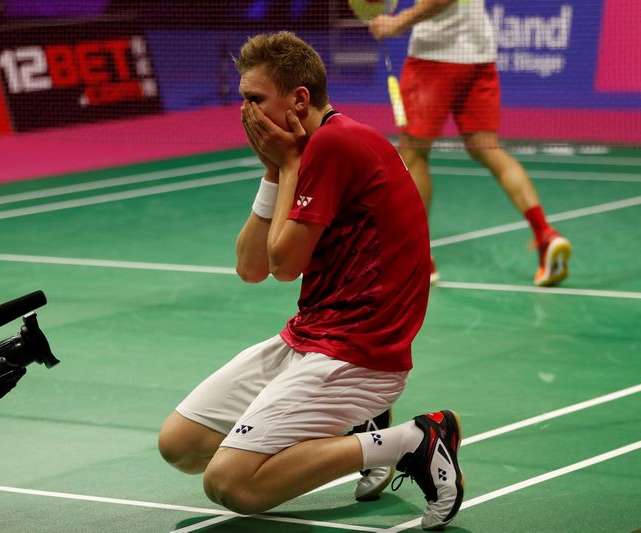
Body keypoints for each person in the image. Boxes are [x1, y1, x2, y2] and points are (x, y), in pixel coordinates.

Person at [158, 32, 464, 530]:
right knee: (181, 445)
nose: (246, 114)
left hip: (361, 353)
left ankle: (415, 440)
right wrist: (275, 173)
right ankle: (359, 425)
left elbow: (284, 264)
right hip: (311, 336)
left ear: (299, 99)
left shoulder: (334, 143)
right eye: (242, 100)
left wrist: (291, 163)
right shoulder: (311, 147)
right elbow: (251, 268)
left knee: (229, 484)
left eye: (255, 99)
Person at [368, 0, 572, 287]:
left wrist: (397, 23)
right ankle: (544, 234)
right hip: (478, 55)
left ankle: (419, 259)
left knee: (414, 153)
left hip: (435, 56)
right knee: (487, 147)